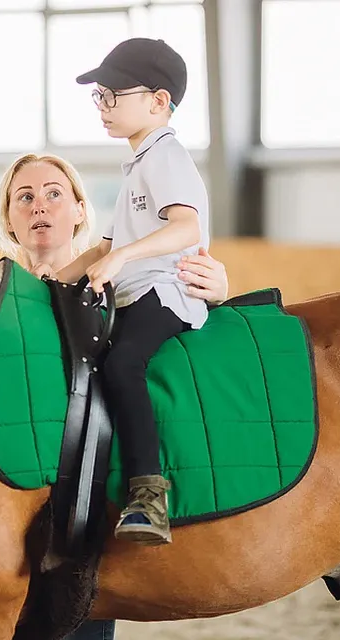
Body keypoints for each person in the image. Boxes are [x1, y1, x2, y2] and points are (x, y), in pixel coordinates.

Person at [0, 151, 228, 640]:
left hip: (91, 507)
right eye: (26, 197)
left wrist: (216, 292)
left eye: (55, 194)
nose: (40, 206)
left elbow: (177, 360)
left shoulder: (126, 288)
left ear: (81, 211)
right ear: (9, 219)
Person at [52, 37, 209, 547]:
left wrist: (121, 258)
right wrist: (49, 281)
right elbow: (103, 244)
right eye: (99, 95)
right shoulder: (140, 164)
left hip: (164, 293)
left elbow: (186, 228)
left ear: (158, 102)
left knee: (122, 366)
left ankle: (148, 494)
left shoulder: (167, 157)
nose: (103, 107)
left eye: (113, 95)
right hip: (136, 291)